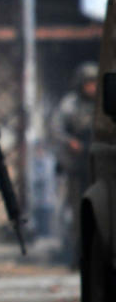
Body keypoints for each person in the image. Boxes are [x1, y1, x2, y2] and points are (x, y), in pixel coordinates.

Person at [49, 61, 98, 267]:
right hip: (78, 168)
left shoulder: (103, 104)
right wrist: (71, 143)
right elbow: (56, 129)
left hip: (100, 166)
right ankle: (79, 255)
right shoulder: (70, 104)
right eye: (88, 83)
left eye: (95, 82)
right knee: (78, 214)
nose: (92, 87)